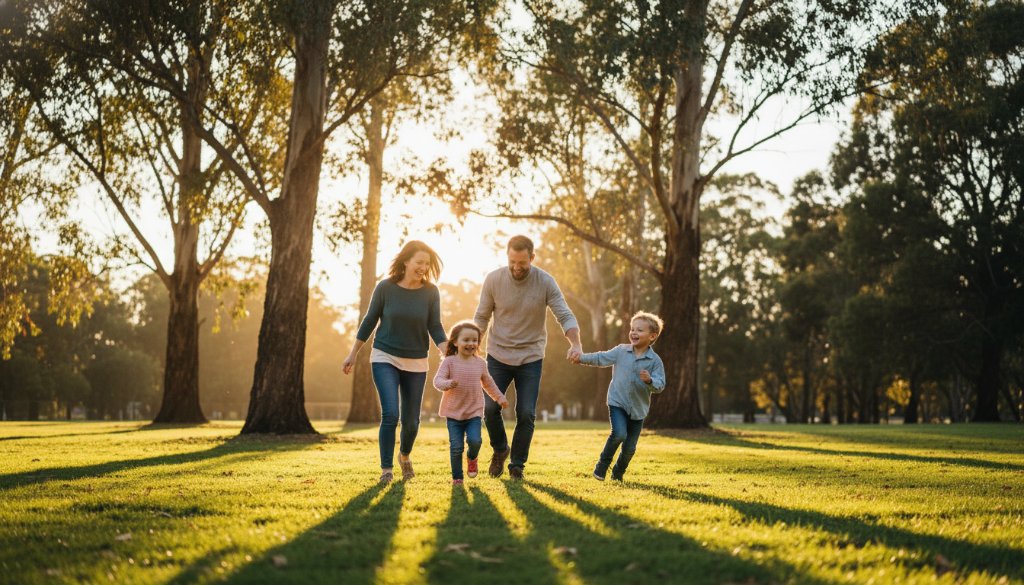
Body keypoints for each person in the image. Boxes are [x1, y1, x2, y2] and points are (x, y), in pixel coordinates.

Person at [474, 235, 582, 480]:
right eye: (513, 261)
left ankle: (517, 465)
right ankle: (501, 449)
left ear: (532, 258)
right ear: (508, 256)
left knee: (526, 413)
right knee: (489, 408)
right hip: (497, 355)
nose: (517, 267)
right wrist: (472, 346)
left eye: (522, 262)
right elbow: (481, 317)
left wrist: (575, 344)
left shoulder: (545, 281)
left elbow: (564, 314)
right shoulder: (493, 279)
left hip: (530, 357)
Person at [343, 241, 448, 484]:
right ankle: (386, 470)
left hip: (416, 360)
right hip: (385, 356)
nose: (423, 267)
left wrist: (449, 351)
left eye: (427, 263)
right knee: (390, 414)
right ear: (406, 261)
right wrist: (353, 353)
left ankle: (404, 455)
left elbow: (435, 326)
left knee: (411, 422)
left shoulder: (431, 292)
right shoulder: (386, 288)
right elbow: (370, 320)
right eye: (419, 262)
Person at [572, 311, 666, 482]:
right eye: (632, 329)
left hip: (638, 410)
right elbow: (601, 358)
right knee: (619, 434)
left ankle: (618, 473)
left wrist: (650, 380)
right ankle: (602, 465)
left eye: (639, 330)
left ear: (652, 336)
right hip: (617, 402)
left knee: (629, 448)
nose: (633, 333)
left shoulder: (655, 361)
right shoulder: (621, 351)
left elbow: (660, 384)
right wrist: (582, 358)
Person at [433, 321, 510, 485]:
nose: (471, 343)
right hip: (453, 413)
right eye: (466, 340)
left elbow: (488, 383)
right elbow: (438, 380)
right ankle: (458, 478)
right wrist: (447, 384)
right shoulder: (449, 362)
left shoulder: (481, 363)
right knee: (456, 447)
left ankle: (472, 457)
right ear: (455, 342)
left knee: (475, 441)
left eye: (474, 340)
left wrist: (499, 397)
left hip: (474, 412)